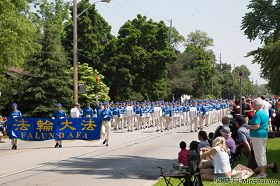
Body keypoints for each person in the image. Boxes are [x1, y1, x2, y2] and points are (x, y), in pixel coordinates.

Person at [243, 98, 269, 178]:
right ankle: (263, 172)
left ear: (256, 105)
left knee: (259, 154)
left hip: (258, 135)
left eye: (252, 104)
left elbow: (256, 126)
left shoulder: (258, 113)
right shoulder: (264, 112)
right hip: (263, 134)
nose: (251, 105)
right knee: (262, 153)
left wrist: (248, 126)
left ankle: (262, 173)